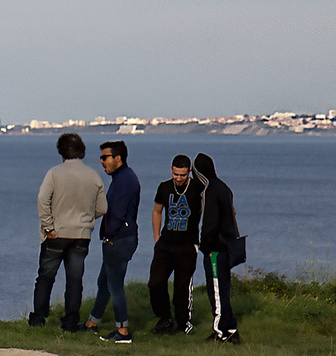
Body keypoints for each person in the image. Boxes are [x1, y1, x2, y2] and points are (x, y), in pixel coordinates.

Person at [30, 132, 107, 331]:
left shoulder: (55, 173)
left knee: (46, 276)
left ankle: (38, 318)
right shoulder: (94, 176)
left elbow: (42, 200)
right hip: (81, 235)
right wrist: (85, 220)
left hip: (56, 233)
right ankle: (71, 322)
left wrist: (48, 227)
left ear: (61, 152)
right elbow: (102, 208)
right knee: (74, 280)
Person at [82, 140, 140, 343]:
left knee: (114, 285)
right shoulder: (121, 177)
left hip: (119, 239)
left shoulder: (125, 179)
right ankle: (92, 323)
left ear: (118, 158)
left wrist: (109, 235)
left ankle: (122, 332)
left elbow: (118, 213)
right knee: (104, 283)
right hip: (119, 238)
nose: (101, 161)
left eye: (104, 157)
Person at [148, 154, 205, 335]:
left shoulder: (198, 188)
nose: (179, 179)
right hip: (165, 245)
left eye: (182, 175)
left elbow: (211, 209)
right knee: (155, 283)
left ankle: (183, 323)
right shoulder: (164, 187)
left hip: (187, 246)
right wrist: (157, 238)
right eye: (176, 174)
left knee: (182, 288)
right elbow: (157, 211)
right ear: (171, 171)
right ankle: (165, 318)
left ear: (189, 172)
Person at [194, 152, 241, 343]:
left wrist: (204, 246)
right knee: (224, 289)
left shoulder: (210, 191)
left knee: (216, 292)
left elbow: (210, 224)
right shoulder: (224, 188)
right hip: (228, 246)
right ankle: (230, 329)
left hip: (215, 249)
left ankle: (220, 332)